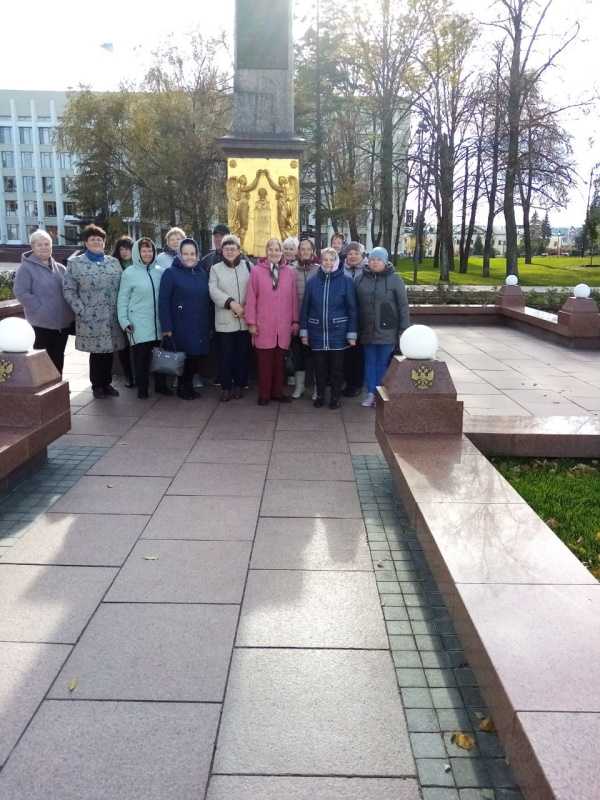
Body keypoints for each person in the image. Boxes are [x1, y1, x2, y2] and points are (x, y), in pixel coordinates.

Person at [63, 225, 124, 398]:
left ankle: (107, 384)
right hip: (90, 317)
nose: (97, 242)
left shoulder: (113, 262)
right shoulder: (76, 263)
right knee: (96, 352)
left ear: (104, 243)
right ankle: (97, 385)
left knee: (109, 351)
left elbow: (122, 286)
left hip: (111, 316)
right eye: (93, 239)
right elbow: (68, 290)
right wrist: (80, 310)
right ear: (86, 242)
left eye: (100, 239)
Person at [300, 247, 357, 409]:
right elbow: (305, 308)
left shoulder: (346, 281)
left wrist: (352, 333)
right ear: (321, 261)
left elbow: (352, 309)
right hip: (316, 332)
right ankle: (320, 396)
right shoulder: (312, 282)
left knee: (337, 369)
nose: (328, 262)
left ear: (337, 261)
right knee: (319, 368)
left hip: (338, 332)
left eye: (332, 259)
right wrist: (304, 332)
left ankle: (335, 398)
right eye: (325, 259)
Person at [13, 229, 74, 375]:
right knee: (42, 360)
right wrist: (40, 309)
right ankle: (46, 389)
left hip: (61, 324)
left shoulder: (60, 268)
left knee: (58, 357)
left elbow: (69, 291)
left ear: (51, 246)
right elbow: (21, 292)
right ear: (32, 247)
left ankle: (57, 387)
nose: (44, 247)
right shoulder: (25, 268)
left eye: (47, 244)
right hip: (41, 324)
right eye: (39, 244)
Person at [245, 238, 298, 406]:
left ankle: (277, 392)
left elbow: (294, 298)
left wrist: (295, 321)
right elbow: (251, 298)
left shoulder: (289, 272)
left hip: (282, 326)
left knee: (279, 363)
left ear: (282, 252)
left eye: (277, 250)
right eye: (271, 249)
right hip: (263, 325)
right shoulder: (256, 271)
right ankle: (264, 394)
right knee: (264, 363)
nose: (274, 253)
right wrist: (251, 322)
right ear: (266, 252)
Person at [355, 246, 410, 407]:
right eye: (372, 259)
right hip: (366, 329)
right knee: (369, 362)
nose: (375, 262)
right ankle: (371, 393)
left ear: (385, 262)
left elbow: (403, 306)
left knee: (383, 363)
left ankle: (381, 394)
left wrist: (403, 329)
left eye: (378, 259)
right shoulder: (360, 279)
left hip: (387, 330)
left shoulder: (395, 280)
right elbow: (354, 305)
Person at [117, 237, 170, 399]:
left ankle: (161, 386)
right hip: (138, 324)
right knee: (141, 358)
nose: (147, 253)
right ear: (137, 252)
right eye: (144, 250)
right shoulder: (129, 273)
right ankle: (142, 389)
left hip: (158, 323)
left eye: (150, 250)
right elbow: (122, 299)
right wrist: (124, 321)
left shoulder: (160, 271)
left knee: (159, 357)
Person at [158, 238, 210, 400]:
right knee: (185, 357)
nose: (189, 257)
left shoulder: (202, 273)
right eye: (185, 253)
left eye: (192, 253)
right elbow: (163, 301)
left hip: (199, 324)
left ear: (197, 255)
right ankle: (183, 387)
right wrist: (166, 327)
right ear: (179, 255)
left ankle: (188, 386)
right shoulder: (171, 273)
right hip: (180, 325)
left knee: (195, 356)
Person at [209, 234, 253, 401]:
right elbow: (213, 290)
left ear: (239, 250)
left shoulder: (248, 266)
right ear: (222, 251)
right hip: (225, 320)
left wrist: (245, 307)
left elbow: (254, 289)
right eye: (226, 249)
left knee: (241, 355)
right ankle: (226, 387)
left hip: (243, 319)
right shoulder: (215, 269)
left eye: (233, 248)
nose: (229, 251)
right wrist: (231, 303)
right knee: (225, 355)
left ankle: (239, 385)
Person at [290, 238, 319, 399]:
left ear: (313, 252)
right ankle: (299, 386)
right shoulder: (290, 270)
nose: (305, 252)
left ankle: (316, 387)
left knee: (315, 356)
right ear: (298, 251)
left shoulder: (319, 270)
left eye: (308, 249)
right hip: (296, 319)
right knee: (298, 355)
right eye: (302, 249)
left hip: (314, 321)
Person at [342, 241, 367, 397]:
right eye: (350, 253)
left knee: (358, 351)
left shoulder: (367, 269)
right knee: (347, 352)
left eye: (356, 253)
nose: (352, 256)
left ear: (361, 255)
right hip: (344, 315)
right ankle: (348, 380)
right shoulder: (340, 268)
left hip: (362, 316)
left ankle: (356, 383)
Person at [112, 235, 135, 388]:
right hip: (121, 309)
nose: (125, 252)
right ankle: (128, 375)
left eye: (128, 249)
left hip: (137, 309)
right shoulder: (115, 266)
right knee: (124, 346)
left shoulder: (139, 265)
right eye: (122, 249)